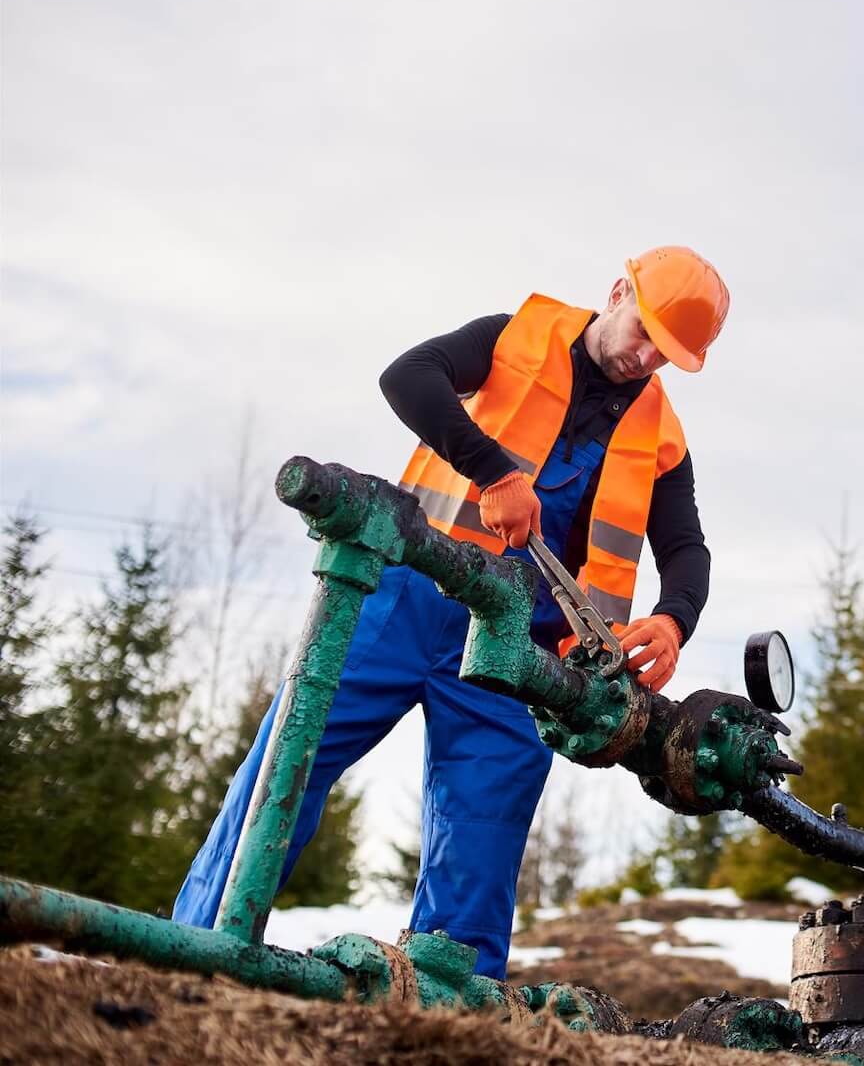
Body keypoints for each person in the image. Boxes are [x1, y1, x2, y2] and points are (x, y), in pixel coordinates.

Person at [174, 247, 727, 977]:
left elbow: (686, 546)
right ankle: (196, 953)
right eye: (645, 331)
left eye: (669, 354)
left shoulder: (663, 439)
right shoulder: (513, 337)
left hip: (520, 654)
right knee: (289, 760)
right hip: (406, 600)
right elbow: (406, 377)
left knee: (483, 835)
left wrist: (673, 617)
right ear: (619, 290)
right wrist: (493, 469)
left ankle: (448, 1001)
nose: (646, 356)